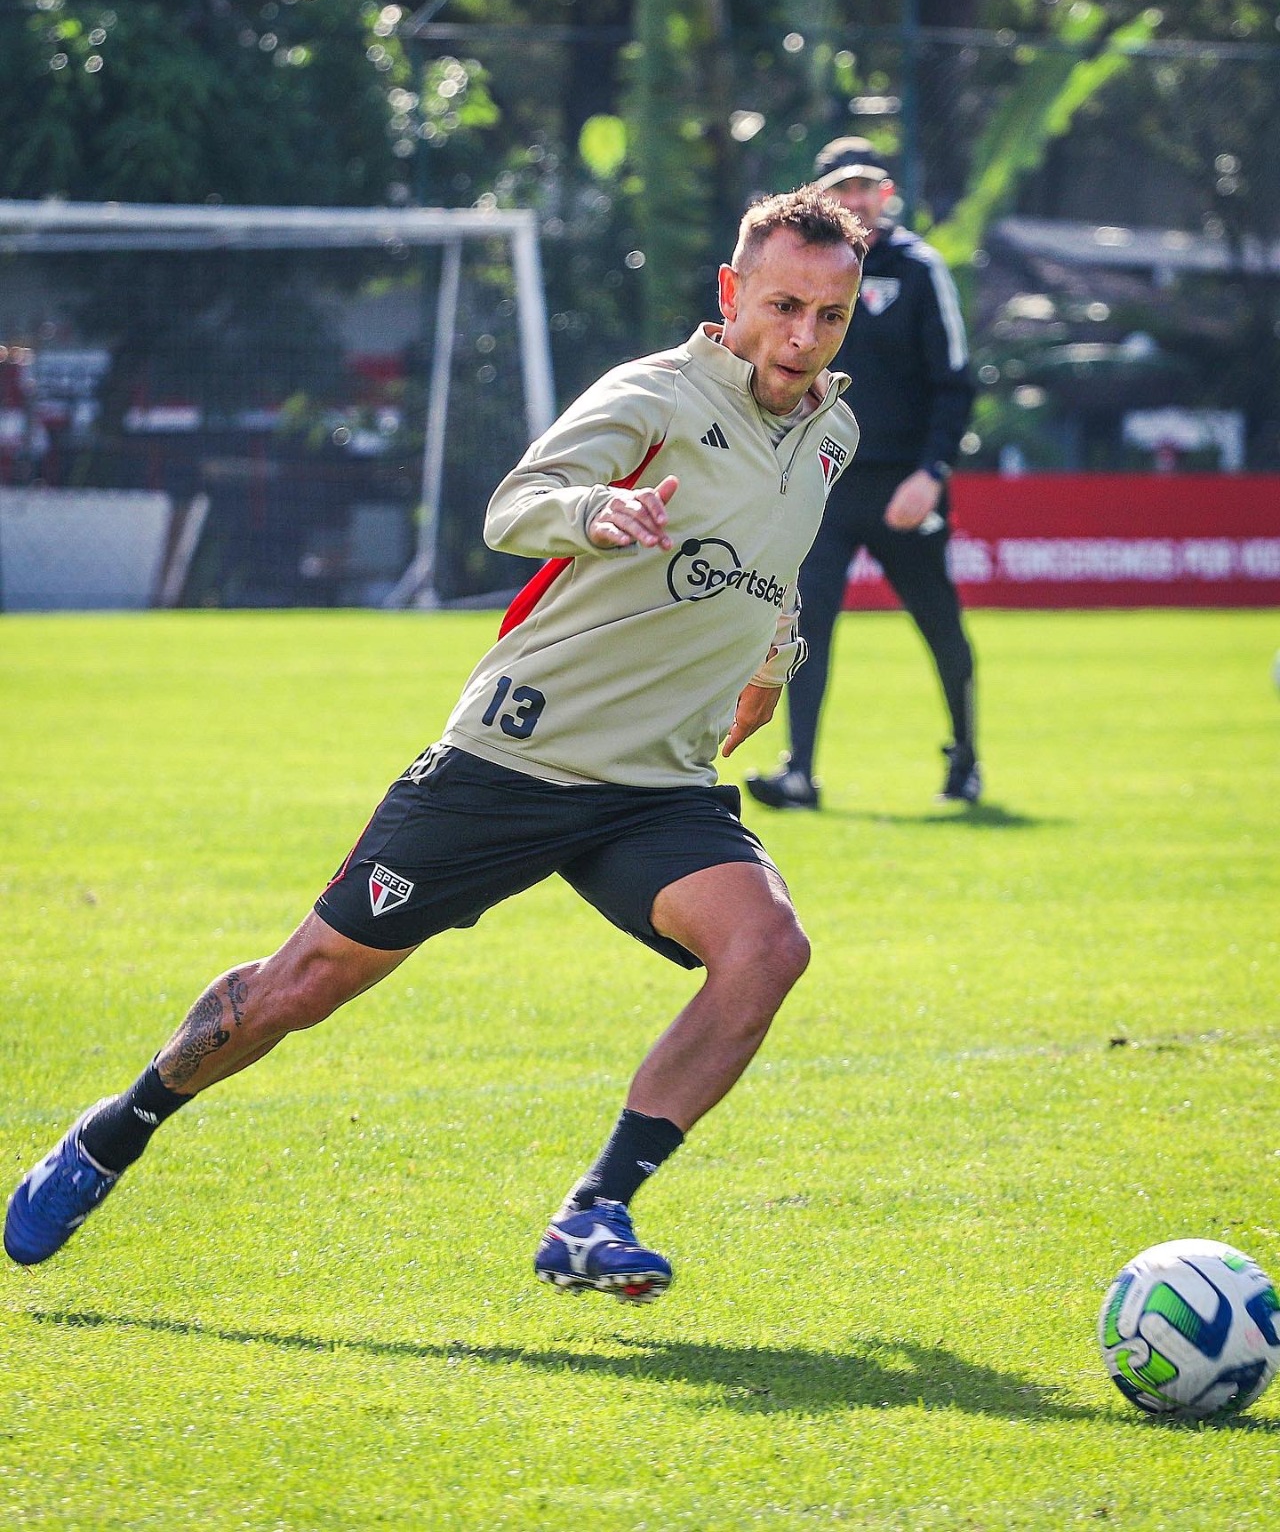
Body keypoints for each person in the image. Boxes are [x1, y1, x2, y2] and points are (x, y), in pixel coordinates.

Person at [5, 188, 868, 1302]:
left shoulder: (832, 432)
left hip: (656, 786)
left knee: (767, 948)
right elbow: (516, 504)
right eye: (782, 305)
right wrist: (595, 514)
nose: (801, 338)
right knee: (300, 986)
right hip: (513, 759)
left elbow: (776, 568)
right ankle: (113, 1134)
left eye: (829, 315)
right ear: (730, 293)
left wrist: (770, 666)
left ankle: (592, 1213)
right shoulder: (652, 395)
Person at [747, 136, 981, 810]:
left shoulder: (918, 268)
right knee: (802, 623)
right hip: (822, 480)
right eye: (841, 188)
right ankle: (799, 771)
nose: (855, 200)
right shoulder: (795, 272)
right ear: (817, 198)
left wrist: (931, 472)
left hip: (903, 480)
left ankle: (965, 759)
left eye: (867, 187)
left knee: (940, 620)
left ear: (886, 195)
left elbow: (954, 383)